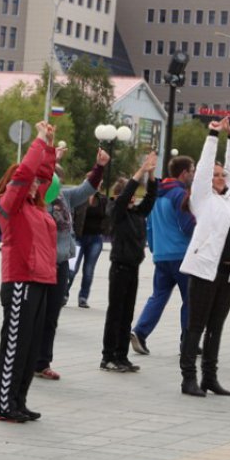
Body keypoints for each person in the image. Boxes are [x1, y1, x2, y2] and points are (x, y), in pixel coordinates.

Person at [0, 122, 59, 422]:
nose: (36, 186)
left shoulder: (36, 206)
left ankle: (19, 400)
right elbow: (27, 174)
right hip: (20, 281)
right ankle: (3, 405)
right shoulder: (11, 205)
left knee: (30, 348)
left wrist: (50, 148)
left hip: (42, 280)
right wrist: (38, 142)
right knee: (15, 346)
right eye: (30, 182)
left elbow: (42, 175)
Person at [178, 118, 230, 398]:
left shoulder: (229, 199)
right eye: (216, 175)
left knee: (216, 327)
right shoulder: (202, 198)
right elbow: (204, 169)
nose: (221, 178)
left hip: (228, 273)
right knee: (196, 326)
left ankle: (210, 377)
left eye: (222, 176)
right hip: (205, 271)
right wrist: (213, 135)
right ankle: (188, 378)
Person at [35, 151, 108, 380]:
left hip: (60, 264)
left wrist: (99, 166)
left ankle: (42, 362)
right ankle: (26, 359)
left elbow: (88, 189)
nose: (56, 182)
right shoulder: (33, 202)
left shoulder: (65, 197)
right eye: (50, 177)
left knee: (51, 316)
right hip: (38, 266)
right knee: (35, 315)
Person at [100, 151, 160, 372]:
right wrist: (140, 172)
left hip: (133, 266)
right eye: (129, 195)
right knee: (115, 312)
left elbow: (152, 198)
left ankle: (121, 356)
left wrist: (151, 175)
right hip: (119, 267)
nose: (132, 198)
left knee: (127, 313)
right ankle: (108, 357)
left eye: (135, 195)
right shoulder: (117, 213)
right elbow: (125, 196)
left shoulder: (136, 213)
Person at [131, 155, 195, 356]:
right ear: (184, 173)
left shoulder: (156, 193)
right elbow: (187, 226)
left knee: (158, 295)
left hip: (161, 254)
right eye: (192, 170)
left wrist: (155, 248)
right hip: (182, 254)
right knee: (190, 299)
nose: (193, 174)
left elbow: (148, 224)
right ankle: (188, 341)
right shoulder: (179, 194)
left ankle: (140, 332)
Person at [68, 180, 108, 308]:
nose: (96, 186)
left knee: (89, 270)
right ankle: (64, 294)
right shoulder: (80, 199)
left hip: (95, 239)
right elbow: (72, 215)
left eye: (98, 184)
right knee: (72, 269)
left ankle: (83, 297)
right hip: (79, 238)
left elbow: (108, 216)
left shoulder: (102, 200)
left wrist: (104, 229)